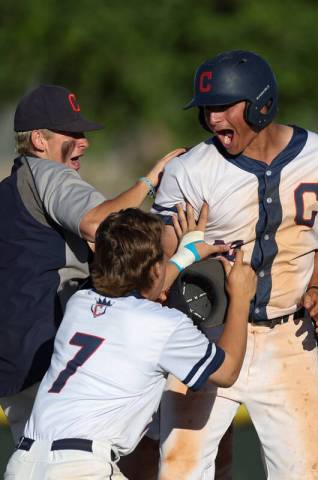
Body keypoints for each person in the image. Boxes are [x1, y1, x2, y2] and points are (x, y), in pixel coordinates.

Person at [151, 50, 318, 479]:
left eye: (223, 106)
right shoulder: (189, 170)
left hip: (288, 336)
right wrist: (179, 245)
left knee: (304, 473)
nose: (212, 119)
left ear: (261, 101)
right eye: (206, 110)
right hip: (206, 332)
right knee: (180, 470)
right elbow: (160, 260)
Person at [4, 207, 256, 479]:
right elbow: (227, 371)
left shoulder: (81, 302)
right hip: (81, 468)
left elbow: (144, 294)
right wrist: (240, 298)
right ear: (156, 268)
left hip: (23, 463)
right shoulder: (164, 324)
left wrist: (185, 256)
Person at [0, 84, 184, 443]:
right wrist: (150, 181)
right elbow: (99, 225)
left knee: (39, 460)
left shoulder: (9, 191)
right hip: (52, 359)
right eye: (72, 133)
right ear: (39, 139)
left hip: (16, 362)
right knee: (86, 459)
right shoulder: (46, 173)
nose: (83, 142)